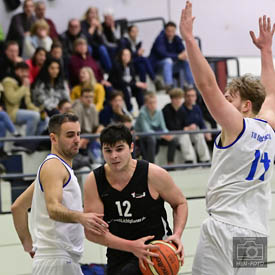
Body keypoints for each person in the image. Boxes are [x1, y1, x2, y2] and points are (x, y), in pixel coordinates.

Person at [180, 2, 275, 274]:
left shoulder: (238, 126)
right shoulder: (268, 126)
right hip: (254, 231)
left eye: (230, 97)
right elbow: (270, 94)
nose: (223, 100)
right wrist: (266, 51)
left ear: (245, 105)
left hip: (224, 228)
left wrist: (189, 40)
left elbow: (207, 85)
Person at [11, 113, 109, 274]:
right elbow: (53, 209)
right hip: (57, 259)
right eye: (70, 135)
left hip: (57, 259)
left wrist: (29, 245)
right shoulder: (54, 167)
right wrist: (81, 217)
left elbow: (18, 207)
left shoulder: (54, 168)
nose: (76, 139)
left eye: (78, 134)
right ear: (54, 138)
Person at [84, 123, 188, 274]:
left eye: (119, 149)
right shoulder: (94, 181)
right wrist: (131, 246)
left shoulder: (153, 174)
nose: (114, 156)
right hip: (118, 252)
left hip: (154, 251)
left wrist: (177, 234)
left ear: (131, 147)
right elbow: (92, 232)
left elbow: (180, 203)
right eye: (108, 150)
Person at [2, 61, 46, 136]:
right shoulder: (8, 82)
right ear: (16, 71)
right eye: (22, 71)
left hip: (25, 111)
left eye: (26, 72)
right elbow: (12, 99)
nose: (25, 74)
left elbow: (28, 103)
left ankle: (35, 144)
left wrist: (40, 110)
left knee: (44, 119)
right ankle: (26, 142)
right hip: (12, 112)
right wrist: (24, 86)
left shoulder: (24, 82)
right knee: (34, 116)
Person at [149, 21, 194, 91]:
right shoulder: (160, 39)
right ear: (165, 30)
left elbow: (182, 50)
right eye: (169, 31)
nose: (170, 33)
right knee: (168, 61)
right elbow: (162, 53)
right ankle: (169, 86)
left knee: (186, 61)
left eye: (173, 31)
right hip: (158, 67)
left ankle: (190, 85)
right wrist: (177, 56)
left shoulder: (177, 38)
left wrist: (184, 54)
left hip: (171, 67)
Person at [135, 91, 177, 164]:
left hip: (155, 134)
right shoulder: (142, 113)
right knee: (152, 139)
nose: (153, 105)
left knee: (173, 140)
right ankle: (151, 164)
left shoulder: (159, 112)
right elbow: (147, 131)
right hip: (142, 136)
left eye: (154, 102)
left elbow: (164, 128)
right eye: (150, 103)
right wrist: (161, 135)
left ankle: (170, 163)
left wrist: (167, 134)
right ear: (146, 104)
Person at [181, 87, 211, 163]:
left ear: (195, 97)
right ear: (184, 97)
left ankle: (205, 159)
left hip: (194, 132)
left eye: (192, 96)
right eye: (188, 96)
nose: (190, 98)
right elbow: (177, 125)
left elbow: (201, 123)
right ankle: (189, 160)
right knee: (184, 136)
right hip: (183, 132)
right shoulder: (181, 109)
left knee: (200, 134)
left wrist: (206, 131)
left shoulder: (197, 108)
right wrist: (187, 128)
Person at [81, 6, 112, 72]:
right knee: (88, 49)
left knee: (103, 48)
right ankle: (89, 71)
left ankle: (110, 70)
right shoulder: (83, 24)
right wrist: (92, 27)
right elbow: (86, 39)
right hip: (87, 45)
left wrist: (99, 29)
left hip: (97, 47)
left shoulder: (99, 24)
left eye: (95, 13)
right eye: (91, 13)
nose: (93, 15)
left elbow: (102, 41)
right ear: (87, 14)